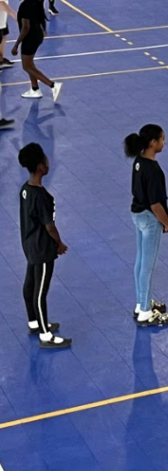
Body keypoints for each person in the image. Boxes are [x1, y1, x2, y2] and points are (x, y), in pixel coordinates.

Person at [19, 142, 71, 349]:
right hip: (42, 248)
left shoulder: (25, 190)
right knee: (40, 291)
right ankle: (45, 335)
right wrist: (59, 243)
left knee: (29, 285)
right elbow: (49, 226)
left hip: (29, 245)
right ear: (42, 167)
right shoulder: (42, 197)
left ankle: (34, 322)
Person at [125, 124, 168, 327]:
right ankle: (146, 312)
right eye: (162, 139)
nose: (164, 142)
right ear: (153, 143)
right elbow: (155, 204)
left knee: (140, 261)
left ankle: (141, 302)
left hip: (137, 214)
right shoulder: (153, 170)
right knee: (148, 265)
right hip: (150, 220)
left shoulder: (138, 162)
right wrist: (167, 222)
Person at [12, 0, 62, 103]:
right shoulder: (35, 1)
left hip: (30, 38)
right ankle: (35, 89)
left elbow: (25, 28)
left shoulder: (25, 6)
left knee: (26, 66)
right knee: (30, 64)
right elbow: (39, 20)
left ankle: (53, 85)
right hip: (37, 36)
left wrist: (16, 44)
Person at [0, 0, 15, 75]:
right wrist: (13, 13)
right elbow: (1, 3)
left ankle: (1, 59)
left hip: (2, 18)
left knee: (4, 37)